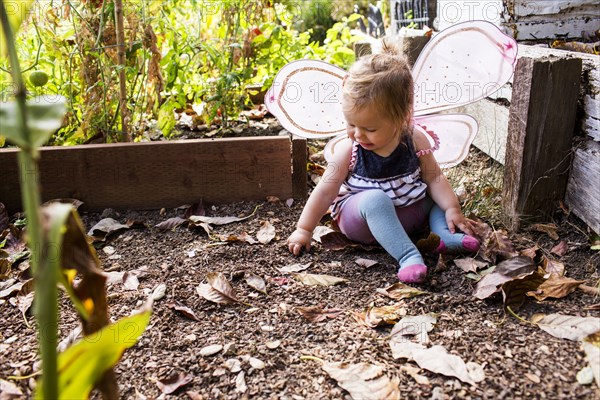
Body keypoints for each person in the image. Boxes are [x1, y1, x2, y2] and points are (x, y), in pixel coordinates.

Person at [286, 38, 480, 284]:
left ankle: (442, 235)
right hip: (363, 221)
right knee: (376, 200)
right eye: (351, 124)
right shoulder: (350, 149)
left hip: (407, 212)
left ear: (402, 118)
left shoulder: (414, 138)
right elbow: (324, 192)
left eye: (369, 128)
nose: (358, 134)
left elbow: (435, 177)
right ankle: (408, 255)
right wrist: (304, 230)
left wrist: (453, 208)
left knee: (434, 195)